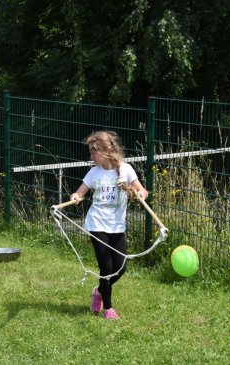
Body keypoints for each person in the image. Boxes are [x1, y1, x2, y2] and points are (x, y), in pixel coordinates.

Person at [69, 130, 148, 320]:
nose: (91, 156)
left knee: (121, 267)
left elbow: (142, 191)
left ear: (105, 152)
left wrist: (140, 194)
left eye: (93, 152)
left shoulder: (126, 169)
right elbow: (80, 192)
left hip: (117, 226)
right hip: (97, 224)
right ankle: (108, 308)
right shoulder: (94, 172)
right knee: (106, 267)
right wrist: (76, 196)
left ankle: (99, 291)